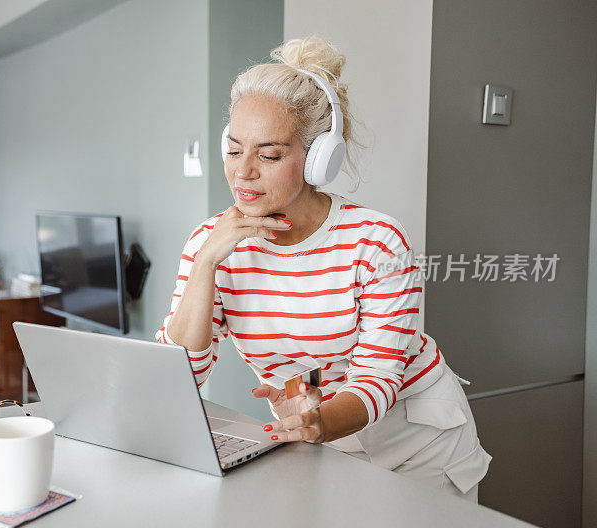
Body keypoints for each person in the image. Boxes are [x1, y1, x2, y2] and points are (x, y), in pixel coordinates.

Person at [155, 35, 490, 502]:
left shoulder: (377, 242)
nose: (243, 171)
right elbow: (182, 372)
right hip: (313, 432)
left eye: (269, 155)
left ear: (317, 160)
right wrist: (207, 262)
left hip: (417, 442)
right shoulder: (213, 243)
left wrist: (318, 421)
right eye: (233, 150)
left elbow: (378, 377)